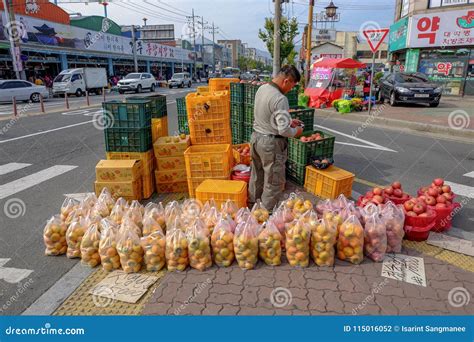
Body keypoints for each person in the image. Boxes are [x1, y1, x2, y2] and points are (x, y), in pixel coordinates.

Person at [249, 65, 304, 211]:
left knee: (257, 176)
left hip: (256, 138)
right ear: (286, 81)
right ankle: (264, 217)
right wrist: (296, 130)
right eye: (292, 86)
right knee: (274, 182)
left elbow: (268, 114)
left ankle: (252, 208)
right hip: (271, 144)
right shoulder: (280, 99)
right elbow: (284, 131)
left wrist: (289, 121)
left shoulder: (262, 88)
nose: (291, 89)